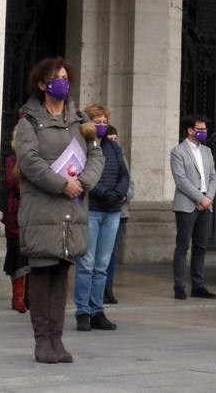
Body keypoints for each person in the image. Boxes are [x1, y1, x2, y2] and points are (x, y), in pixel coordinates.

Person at [13, 57, 105, 365]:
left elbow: (96, 156)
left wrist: (83, 182)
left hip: (72, 207)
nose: (62, 83)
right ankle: (43, 340)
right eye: (56, 78)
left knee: (61, 272)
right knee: (42, 273)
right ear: (42, 84)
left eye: (65, 77)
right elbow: (29, 161)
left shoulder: (80, 119)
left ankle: (57, 338)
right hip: (43, 209)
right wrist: (61, 184)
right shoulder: (28, 122)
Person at [74, 104, 130, 331]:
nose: (101, 126)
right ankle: (82, 312)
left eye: (104, 122)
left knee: (102, 265)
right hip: (92, 209)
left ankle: (97, 310)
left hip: (113, 211)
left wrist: (119, 193)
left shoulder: (114, 148)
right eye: (97, 122)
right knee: (86, 264)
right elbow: (82, 175)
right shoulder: (81, 146)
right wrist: (105, 193)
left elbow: (124, 174)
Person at [170, 114, 216, 300]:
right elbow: (180, 180)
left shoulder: (207, 151)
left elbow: (213, 176)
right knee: (183, 246)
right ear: (190, 130)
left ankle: (198, 285)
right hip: (186, 205)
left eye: (205, 129)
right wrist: (199, 198)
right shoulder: (178, 152)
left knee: (201, 246)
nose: (204, 132)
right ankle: (179, 286)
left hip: (206, 205)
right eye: (200, 129)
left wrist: (208, 198)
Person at [102, 125, 132, 306]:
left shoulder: (120, 156)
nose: (114, 142)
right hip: (101, 206)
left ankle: (108, 287)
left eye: (116, 138)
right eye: (111, 139)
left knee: (111, 253)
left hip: (119, 209)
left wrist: (123, 195)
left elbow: (129, 180)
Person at [0, 132, 27, 313]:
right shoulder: (12, 160)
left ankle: (30, 295)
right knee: (17, 255)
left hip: (36, 213)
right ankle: (18, 296)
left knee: (34, 256)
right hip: (17, 213)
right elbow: (13, 182)